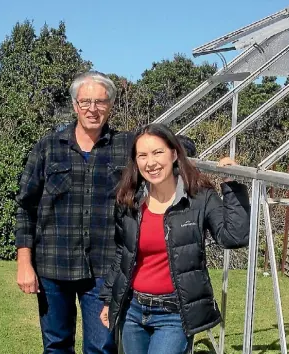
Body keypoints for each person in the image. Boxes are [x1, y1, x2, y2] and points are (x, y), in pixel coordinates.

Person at [98, 123, 251, 354]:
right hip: (133, 310)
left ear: (174, 153)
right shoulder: (129, 199)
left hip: (174, 313)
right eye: (142, 155)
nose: (151, 163)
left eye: (158, 152)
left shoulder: (198, 198)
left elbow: (234, 237)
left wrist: (233, 186)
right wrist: (109, 298)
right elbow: (122, 253)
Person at [15, 71, 133, 354]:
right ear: (74, 105)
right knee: (56, 345)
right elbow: (25, 206)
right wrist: (24, 263)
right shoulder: (47, 148)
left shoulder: (127, 147)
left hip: (104, 268)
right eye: (86, 102)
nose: (93, 109)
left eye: (100, 102)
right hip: (53, 266)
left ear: (111, 106)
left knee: (102, 346)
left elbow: (168, 148)